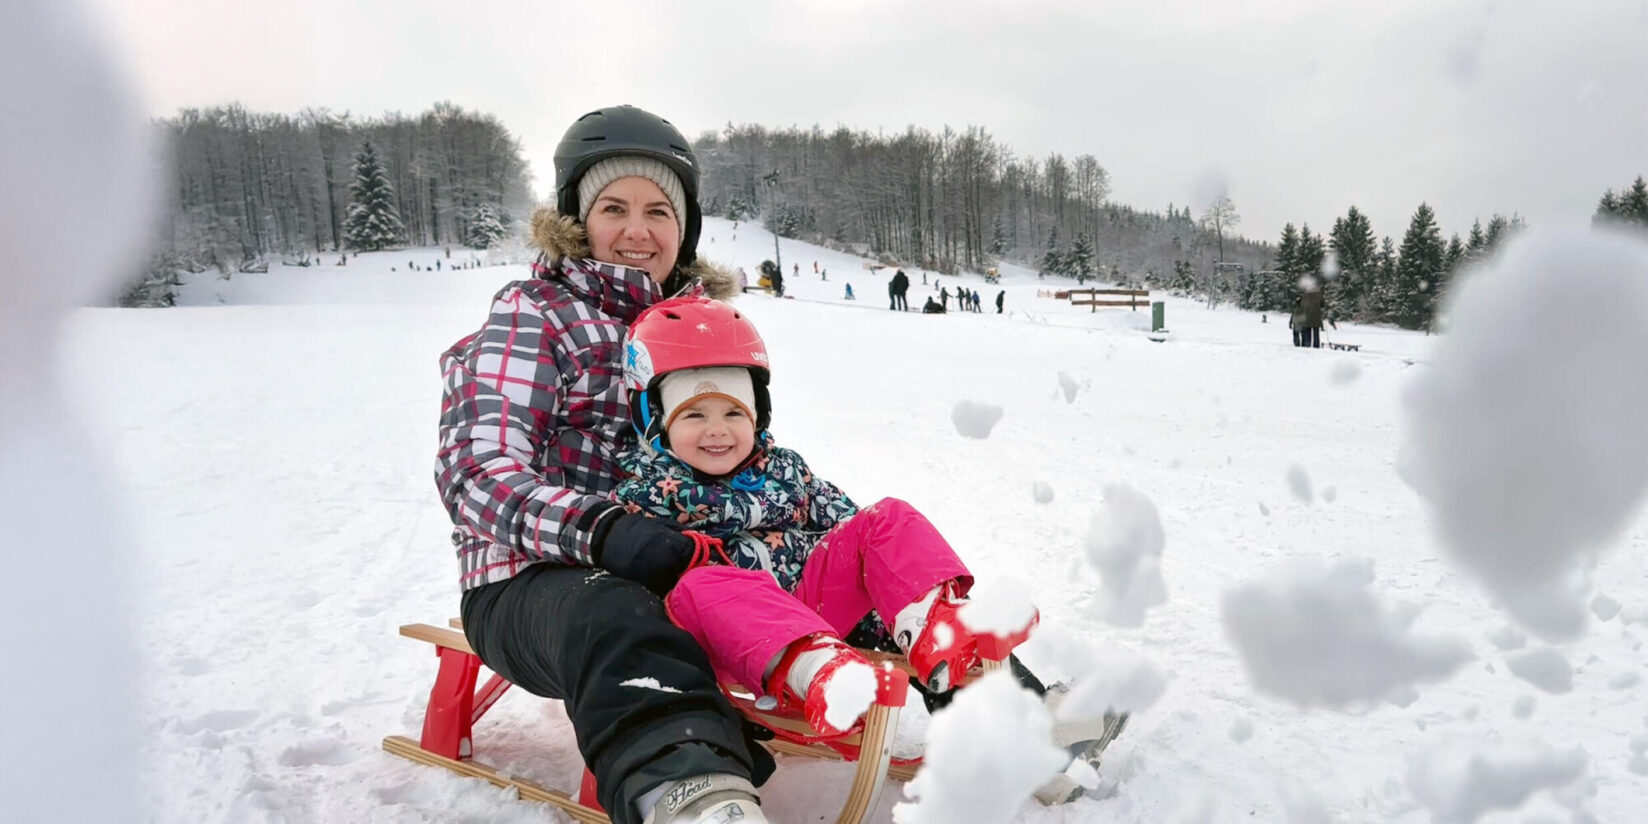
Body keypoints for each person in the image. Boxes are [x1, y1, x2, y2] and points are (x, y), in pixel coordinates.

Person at [435, 105, 772, 824]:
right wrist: (605, 530)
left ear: (685, 230)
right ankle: (689, 792)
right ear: (576, 220)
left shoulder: (698, 329)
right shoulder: (535, 315)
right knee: (617, 609)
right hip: (534, 587)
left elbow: (738, 451)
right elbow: (476, 470)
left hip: (672, 566)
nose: (637, 230)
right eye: (613, 207)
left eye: (659, 211)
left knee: (829, 551)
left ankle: (998, 704)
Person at [612, 297, 1036, 737]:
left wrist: (885, 604)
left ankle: (940, 628)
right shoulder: (644, 500)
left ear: (759, 413)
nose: (717, 429)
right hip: (746, 645)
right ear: (654, 422)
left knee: (886, 518)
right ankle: (819, 672)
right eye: (694, 414)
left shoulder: (784, 469)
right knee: (700, 581)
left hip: (818, 608)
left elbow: (856, 535)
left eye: (734, 412)